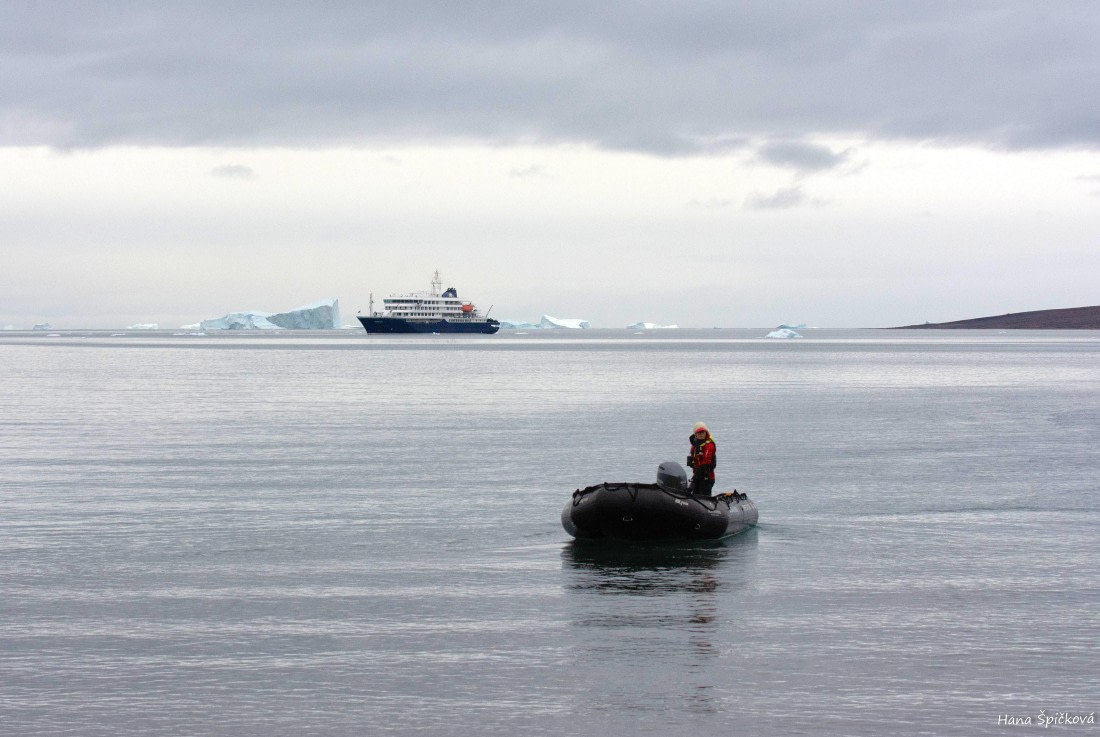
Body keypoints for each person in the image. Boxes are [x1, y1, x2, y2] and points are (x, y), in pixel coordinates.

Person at [687, 422, 717, 496]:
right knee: (694, 494)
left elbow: (707, 462)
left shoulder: (709, 445)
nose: (701, 434)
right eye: (699, 432)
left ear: (706, 432)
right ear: (695, 434)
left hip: (707, 478)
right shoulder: (694, 446)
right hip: (697, 477)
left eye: (703, 432)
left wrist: (697, 474)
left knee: (704, 496)